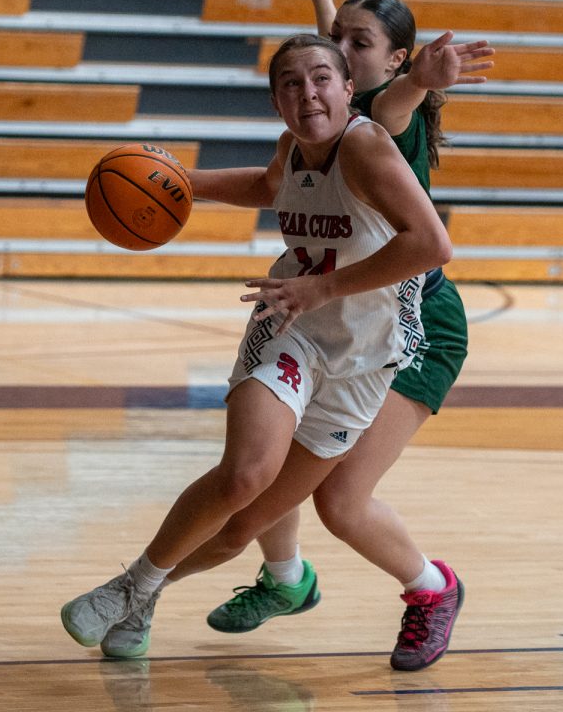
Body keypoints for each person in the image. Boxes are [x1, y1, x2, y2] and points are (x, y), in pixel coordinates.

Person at [60, 34, 454, 664]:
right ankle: (129, 585)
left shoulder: (367, 147)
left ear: (349, 90)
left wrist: (322, 287)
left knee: (242, 528)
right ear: (276, 101)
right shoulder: (292, 149)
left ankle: (147, 593)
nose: (308, 94)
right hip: (290, 328)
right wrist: (182, 184)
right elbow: (271, 185)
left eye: (322, 79)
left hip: (363, 355)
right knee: (244, 475)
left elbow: (432, 246)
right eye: (291, 84)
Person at [194, 0, 493, 670]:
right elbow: (277, 173)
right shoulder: (321, 109)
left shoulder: (382, 119)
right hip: (345, 313)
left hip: (414, 325)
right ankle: (286, 578)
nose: (336, 52)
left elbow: (389, 98)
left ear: (393, 59)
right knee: (272, 455)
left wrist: (421, 80)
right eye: (333, 39)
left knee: (341, 501)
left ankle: (432, 589)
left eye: (356, 44)